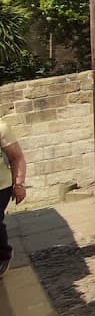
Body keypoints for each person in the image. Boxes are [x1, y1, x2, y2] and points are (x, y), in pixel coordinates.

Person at [0, 116, 27, 278]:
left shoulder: (2, 128)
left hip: (1, 186)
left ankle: (3, 255)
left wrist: (19, 185)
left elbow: (17, 158)